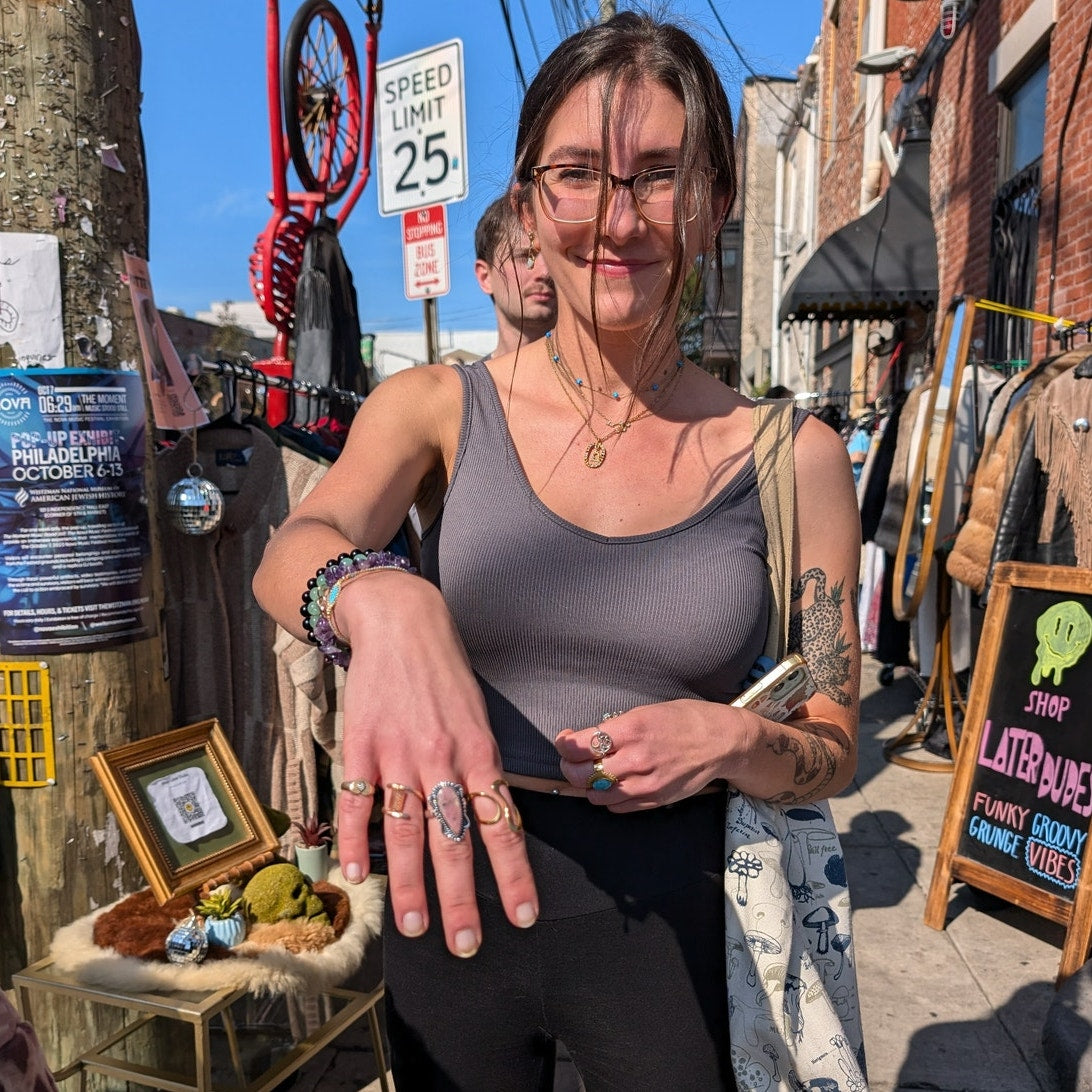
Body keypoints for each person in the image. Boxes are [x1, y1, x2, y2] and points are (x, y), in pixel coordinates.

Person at [253, 13, 861, 1089]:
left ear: (716, 199)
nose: (617, 220)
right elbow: (293, 547)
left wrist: (724, 739)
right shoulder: (437, 407)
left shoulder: (792, 454)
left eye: (660, 175)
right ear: (530, 201)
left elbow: (832, 737)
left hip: (681, 914)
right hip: (448, 890)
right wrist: (382, 601)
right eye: (578, 174)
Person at [473, 193, 557, 356]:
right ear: (485, 277)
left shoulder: (603, 377)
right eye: (526, 257)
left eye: (553, 257)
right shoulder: (466, 382)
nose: (545, 272)